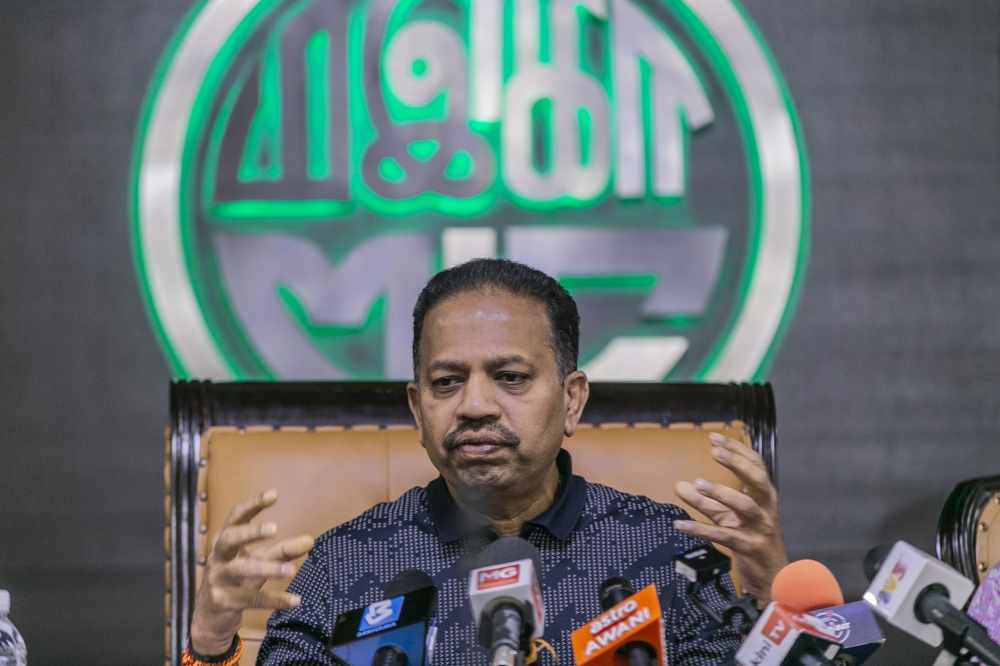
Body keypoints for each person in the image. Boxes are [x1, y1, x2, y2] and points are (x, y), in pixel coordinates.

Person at [185, 259, 788, 666]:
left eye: (510, 378)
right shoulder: (348, 562)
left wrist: (771, 599)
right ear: (419, 411)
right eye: (447, 382)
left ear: (572, 398)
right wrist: (212, 643)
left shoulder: (663, 551)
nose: (474, 405)